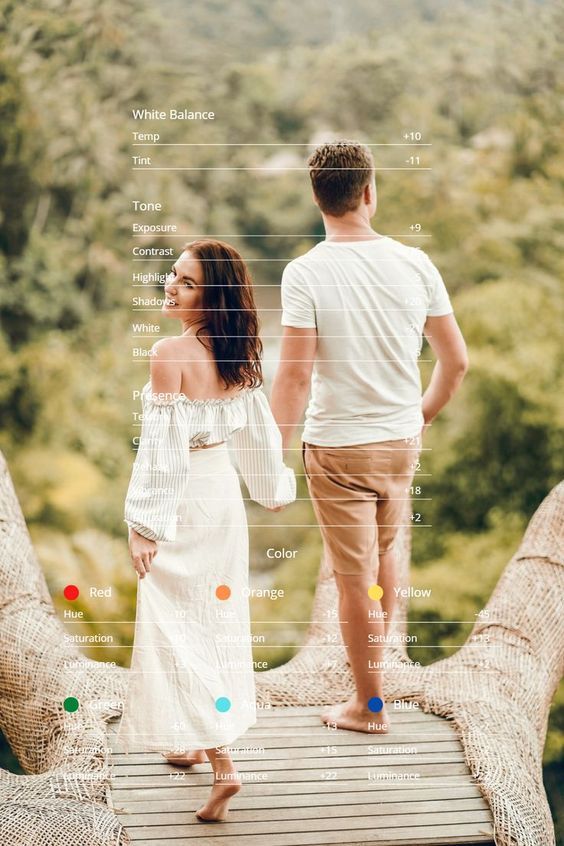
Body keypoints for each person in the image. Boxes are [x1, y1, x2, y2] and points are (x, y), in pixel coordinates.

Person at [270, 141, 468, 734]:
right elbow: (455, 363)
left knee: (354, 582)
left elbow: (297, 374)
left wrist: (274, 456)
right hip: (400, 442)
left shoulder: (305, 273)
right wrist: (421, 416)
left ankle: (369, 706)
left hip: (337, 449)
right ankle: (374, 688)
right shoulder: (415, 264)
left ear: (316, 198)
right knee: (381, 561)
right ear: (369, 193)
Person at [117, 239, 296, 821]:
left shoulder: (170, 353)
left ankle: (224, 765)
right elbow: (256, 430)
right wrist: (272, 489)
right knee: (213, 619)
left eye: (187, 281)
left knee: (177, 626)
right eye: (172, 274)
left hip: (187, 497)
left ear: (211, 293)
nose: (171, 285)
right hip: (221, 500)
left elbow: (163, 453)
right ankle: (194, 739)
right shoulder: (237, 352)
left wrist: (144, 524)